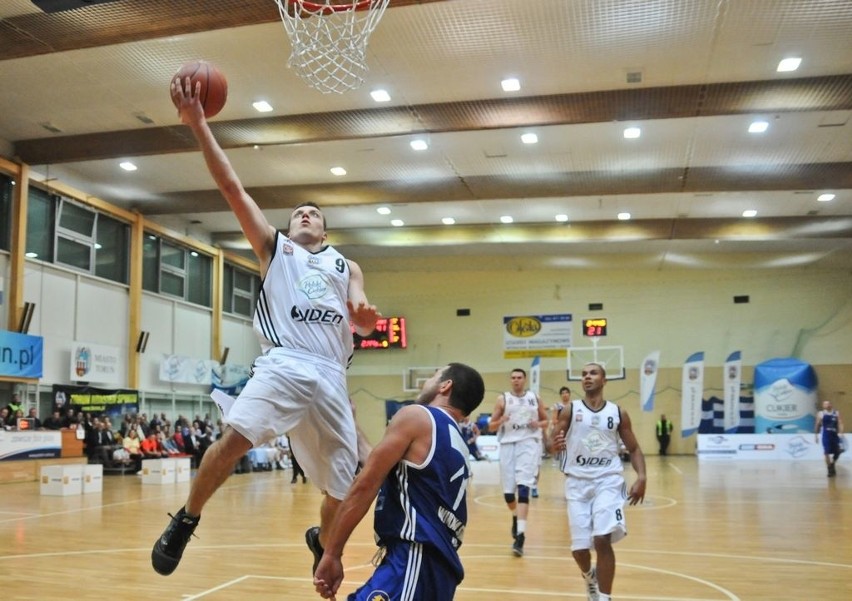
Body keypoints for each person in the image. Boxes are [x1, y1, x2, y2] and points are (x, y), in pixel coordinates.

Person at [152, 75, 379, 578]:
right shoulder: (275, 249)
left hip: (331, 377)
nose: (305, 214)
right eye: (298, 211)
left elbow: (363, 315)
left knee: (342, 490)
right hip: (285, 362)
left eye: (314, 213)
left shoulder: (346, 267)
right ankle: (186, 519)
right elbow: (231, 184)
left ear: (325, 230)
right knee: (235, 439)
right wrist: (198, 125)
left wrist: (365, 318)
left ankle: (321, 539)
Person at [313, 363, 485, 601]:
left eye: (434, 375)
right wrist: (350, 422)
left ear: (446, 386)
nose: (427, 382)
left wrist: (331, 552)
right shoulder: (453, 436)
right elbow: (377, 460)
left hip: (415, 558)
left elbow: (365, 484)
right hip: (435, 568)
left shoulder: (417, 415)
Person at [550, 362, 647, 601]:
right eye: (583, 374)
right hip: (577, 483)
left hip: (608, 481)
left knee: (602, 538)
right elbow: (550, 443)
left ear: (604, 380)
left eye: (593, 373)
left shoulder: (617, 413)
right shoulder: (569, 410)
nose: (587, 377)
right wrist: (552, 445)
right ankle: (588, 576)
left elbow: (634, 448)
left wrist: (642, 476)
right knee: (580, 550)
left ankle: (604, 597)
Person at [488, 368, 548, 556]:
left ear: (525, 379)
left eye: (519, 377)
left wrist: (537, 425)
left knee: (524, 487)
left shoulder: (534, 398)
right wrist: (501, 421)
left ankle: (521, 535)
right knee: (508, 494)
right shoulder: (503, 399)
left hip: (528, 443)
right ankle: (515, 516)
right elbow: (490, 425)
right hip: (507, 445)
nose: (516, 380)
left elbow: (546, 421)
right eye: (513, 377)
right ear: (510, 380)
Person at [815, 400, 844, 477]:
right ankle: (829, 469)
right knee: (826, 452)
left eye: (827, 404)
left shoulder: (836, 413)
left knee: (837, 452)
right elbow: (817, 425)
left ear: (830, 405)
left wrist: (841, 433)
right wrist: (816, 435)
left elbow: (840, 423)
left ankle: (832, 464)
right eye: (824, 404)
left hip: (834, 435)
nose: (826, 405)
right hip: (826, 435)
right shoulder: (821, 414)